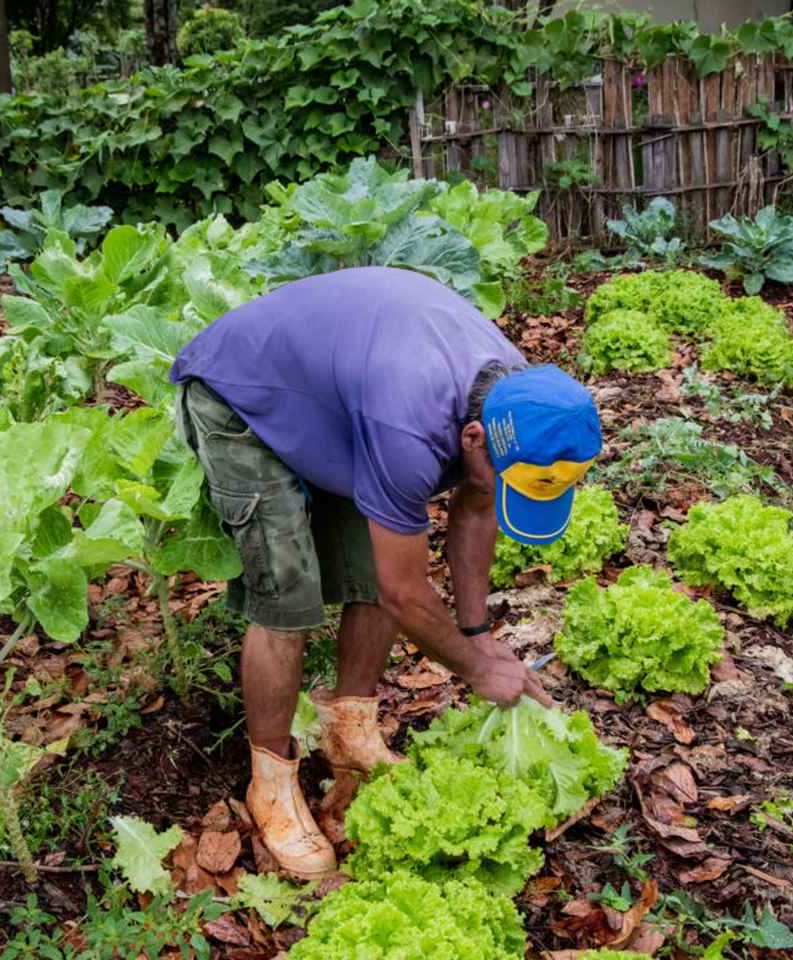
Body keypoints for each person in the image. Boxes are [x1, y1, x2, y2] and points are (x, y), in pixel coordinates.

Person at [169, 266, 604, 879]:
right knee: (288, 594)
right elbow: (406, 593)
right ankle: (269, 784)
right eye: (499, 475)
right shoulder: (409, 425)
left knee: (374, 570)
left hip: (346, 396)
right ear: (472, 439)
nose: (496, 489)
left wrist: (478, 635)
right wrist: (476, 668)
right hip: (245, 395)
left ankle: (349, 730)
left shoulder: (523, 404)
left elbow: (477, 505)